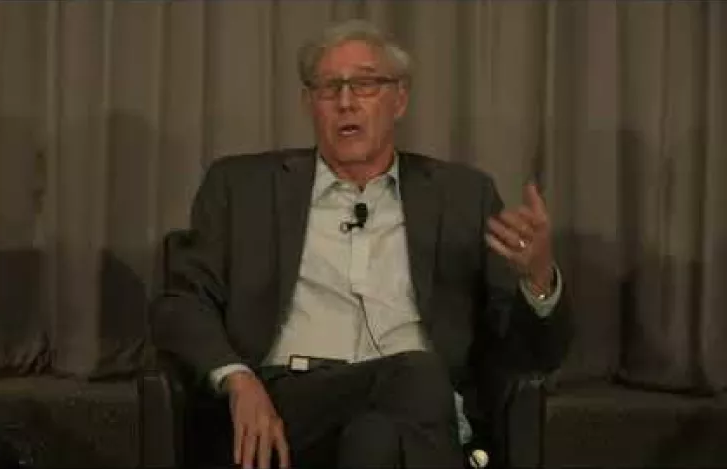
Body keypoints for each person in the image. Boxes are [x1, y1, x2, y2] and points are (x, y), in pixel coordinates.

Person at [150, 19, 572, 469]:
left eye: (365, 85)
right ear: (309, 103)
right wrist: (237, 379)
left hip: (410, 416)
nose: (346, 102)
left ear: (400, 99)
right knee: (417, 373)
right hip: (285, 407)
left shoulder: (464, 196)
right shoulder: (240, 188)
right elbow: (181, 303)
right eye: (329, 87)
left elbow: (531, 353)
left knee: (377, 438)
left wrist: (538, 281)